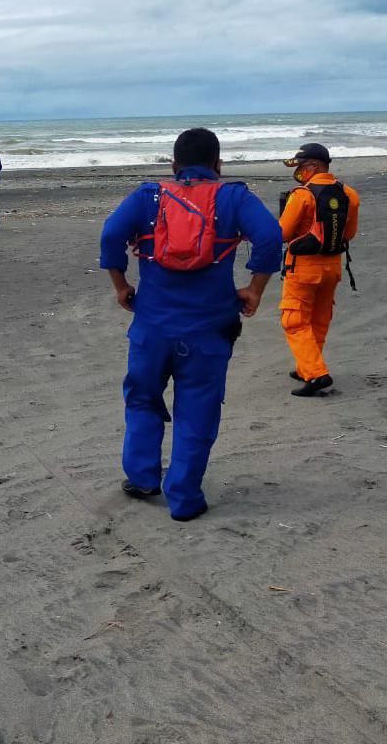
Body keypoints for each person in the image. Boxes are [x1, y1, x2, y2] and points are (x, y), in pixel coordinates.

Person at [99, 127, 282, 521]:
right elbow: (270, 237)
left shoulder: (148, 196)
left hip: (152, 326)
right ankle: (183, 498)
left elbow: (111, 235)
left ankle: (143, 477)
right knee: (197, 407)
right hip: (209, 329)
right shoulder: (233, 197)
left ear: (173, 165)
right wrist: (254, 289)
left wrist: (120, 286)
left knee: (143, 398)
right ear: (218, 164)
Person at [279, 143, 360, 397]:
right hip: (332, 267)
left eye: (302, 167)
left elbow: (282, 232)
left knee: (294, 320)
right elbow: (349, 234)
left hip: (302, 268)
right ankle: (308, 366)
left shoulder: (302, 195)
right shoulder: (349, 194)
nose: (300, 172)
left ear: (314, 166)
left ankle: (316, 374)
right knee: (319, 320)